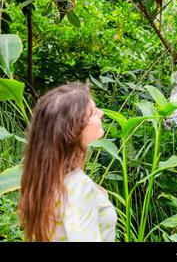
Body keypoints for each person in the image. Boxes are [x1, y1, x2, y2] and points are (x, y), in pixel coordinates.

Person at [18, 82, 117, 242]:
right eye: (92, 112)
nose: (101, 113)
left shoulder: (47, 181)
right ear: (72, 129)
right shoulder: (77, 185)